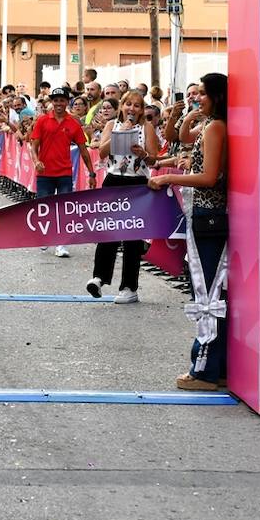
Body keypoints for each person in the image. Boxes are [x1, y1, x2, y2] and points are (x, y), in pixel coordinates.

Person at [150, 73, 228, 390]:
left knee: (207, 293)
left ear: (218, 97)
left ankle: (205, 369)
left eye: (204, 94)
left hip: (208, 215)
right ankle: (216, 365)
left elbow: (209, 177)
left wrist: (169, 179)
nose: (199, 98)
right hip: (207, 215)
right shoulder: (212, 126)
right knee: (210, 289)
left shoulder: (215, 128)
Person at [87, 90, 159, 304]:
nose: (132, 109)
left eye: (137, 105)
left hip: (136, 182)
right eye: (128, 104)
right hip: (114, 180)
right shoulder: (112, 125)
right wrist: (120, 135)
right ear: (122, 106)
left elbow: (154, 159)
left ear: (141, 109)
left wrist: (143, 154)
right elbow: (101, 153)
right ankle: (99, 277)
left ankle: (129, 287)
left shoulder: (147, 128)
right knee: (107, 230)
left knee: (132, 237)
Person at [30, 87, 97, 257]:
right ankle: (45, 236)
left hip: (65, 173)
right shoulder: (42, 120)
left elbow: (83, 150)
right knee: (45, 208)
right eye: (56, 100)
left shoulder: (73, 123)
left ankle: (61, 244)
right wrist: (36, 161)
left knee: (64, 209)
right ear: (52, 102)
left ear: (67, 102)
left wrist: (92, 173)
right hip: (45, 173)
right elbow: (33, 146)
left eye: (62, 100)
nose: (59, 103)